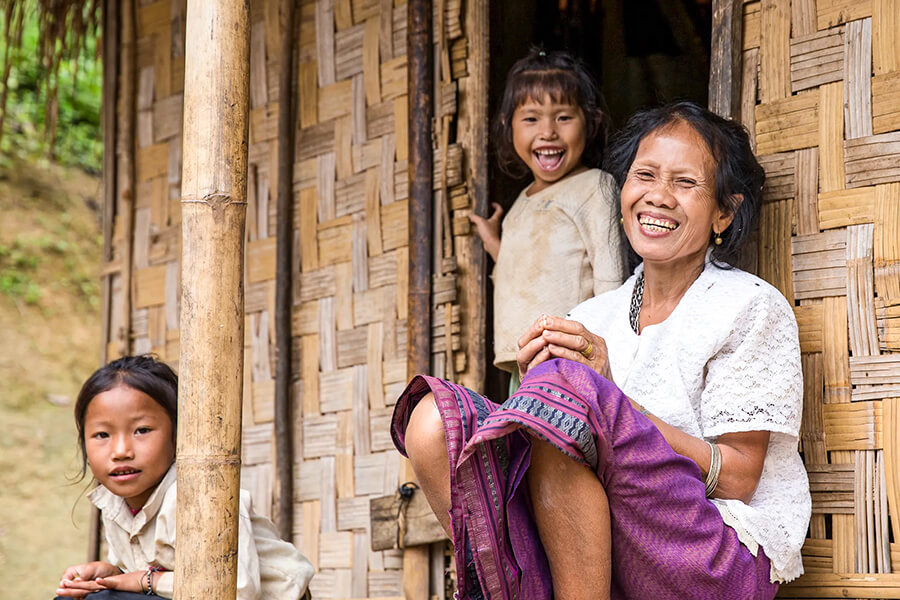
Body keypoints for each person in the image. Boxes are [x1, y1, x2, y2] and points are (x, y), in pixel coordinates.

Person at [393, 102, 811, 599]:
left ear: (724, 210)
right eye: (645, 175)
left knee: (566, 400)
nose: (658, 197)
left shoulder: (749, 306)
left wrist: (606, 403)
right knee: (434, 422)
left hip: (714, 555)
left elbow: (738, 478)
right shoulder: (591, 317)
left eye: (684, 183)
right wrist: (535, 395)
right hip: (605, 555)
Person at [55, 355, 314, 600]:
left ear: (179, 435)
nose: (121, 451)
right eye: (102, 435)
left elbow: (236, 591)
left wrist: (148, 581)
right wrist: (111, 574)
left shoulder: (201, 496)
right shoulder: (116, 502)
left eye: (142, 430)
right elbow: (142, 576)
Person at [469, 49, 624, 385]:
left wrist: (607, 351)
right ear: (507, 126)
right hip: (523, 363)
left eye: (563, 117)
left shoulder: (594, 187)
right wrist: (496, 244)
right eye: (531, 118)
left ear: (591, 121)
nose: (548, 131)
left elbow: (611, 277)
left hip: (572, 360)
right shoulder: (521, 203)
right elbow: (526, 273)